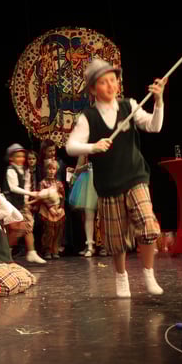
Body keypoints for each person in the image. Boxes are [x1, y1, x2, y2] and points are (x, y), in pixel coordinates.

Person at [66, 58, 167, 298]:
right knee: (116, 239)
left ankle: (148, 273)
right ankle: (121, 277)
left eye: (113, 80)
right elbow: (71, 146)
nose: (111, 85)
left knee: (148, 225)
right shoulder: (88, 117)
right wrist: (93, 147)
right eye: (104, 82)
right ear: (93, 89)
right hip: (109, 184)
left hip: (135, 176)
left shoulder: (129, 105)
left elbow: (154, 126)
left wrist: (158, 101)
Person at [38, 159, 66, 260]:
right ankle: (47, 250)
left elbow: (63, 197)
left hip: (58, 209)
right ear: (46, 169)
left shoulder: (58, 183)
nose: (51, 171)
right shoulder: (43, 183)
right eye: (49, 169)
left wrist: (61, 208)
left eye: (53, 169)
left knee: (58, 231)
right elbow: (42, 197)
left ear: (56, 170)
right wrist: (50, 208)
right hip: (47, 209)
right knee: (49, 231)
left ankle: (55, 250)